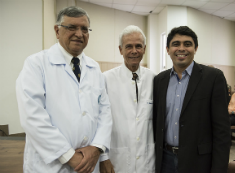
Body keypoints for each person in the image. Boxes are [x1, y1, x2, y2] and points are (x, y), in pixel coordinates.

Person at [16, 6, 112, 173]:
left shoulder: (94, 68)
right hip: (51, 165)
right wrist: (68, 156)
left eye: (84, 29)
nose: (79, 34)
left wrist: (97, 148)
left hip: (89, 161)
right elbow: (32, 117)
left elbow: (105, 112)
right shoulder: (36, 64)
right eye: (71, 27)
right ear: (57, 30)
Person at [153, 26, 230, 173]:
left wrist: (219, 169)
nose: (181, 48)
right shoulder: (159, 80)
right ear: (167, 49)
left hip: (199, 161)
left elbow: (222, 131)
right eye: (176, 44)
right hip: (165, 159)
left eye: (187, 44)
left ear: (196, 48)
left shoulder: (213, 77)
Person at [100, 25, 155, 173]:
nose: (134, 51)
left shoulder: (154, 79)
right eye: (128, 46)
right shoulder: (105, 79)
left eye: (138, 46)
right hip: (117, 160)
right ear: (120, 50)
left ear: (144, 48)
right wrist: (103, 157)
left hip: (148, 161)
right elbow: (98, 121)